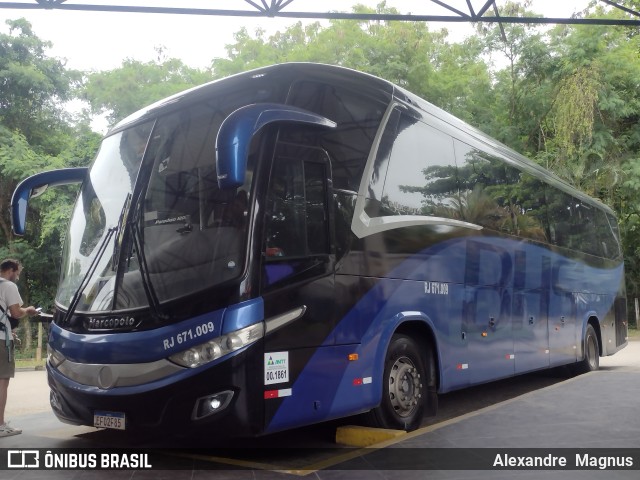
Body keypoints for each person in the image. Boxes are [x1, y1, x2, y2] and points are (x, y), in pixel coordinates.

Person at [0, 259, 38, 437]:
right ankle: (0, 425)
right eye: (18, 272)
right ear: (11, 270)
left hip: (3, 334)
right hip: (1, 341)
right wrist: (28, 310)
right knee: (2, 381)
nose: (18, 276)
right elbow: (16, 312)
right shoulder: (8, 286)